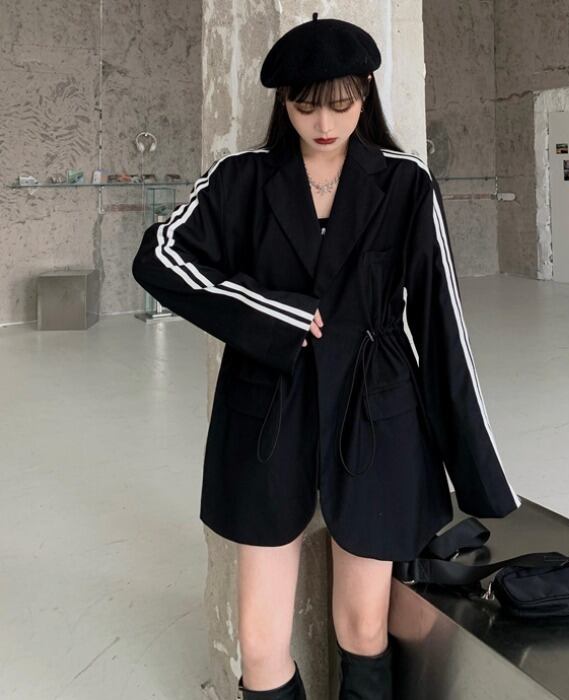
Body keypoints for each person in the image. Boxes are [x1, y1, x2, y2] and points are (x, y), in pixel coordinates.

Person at [131, 12, 521, 700]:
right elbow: (159, 257)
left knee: (363, 628)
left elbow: (441, 324)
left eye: (341, 104)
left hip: (375, 410)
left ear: (365, 95)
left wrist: (474, 470)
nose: (323, 122)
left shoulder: (404, 183)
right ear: (283, 102)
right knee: (260, 647)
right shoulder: (241, 178)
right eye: (306, 105)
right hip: (267, 411)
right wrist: (271, 313)